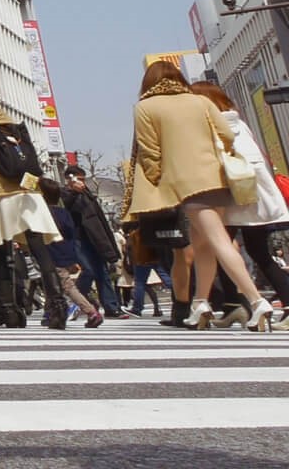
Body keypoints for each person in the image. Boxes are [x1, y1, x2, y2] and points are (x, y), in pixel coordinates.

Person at [123, 63, 274, 331]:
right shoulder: (199, 101)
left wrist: (158, 179)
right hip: (218, 178)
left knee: (216, 242)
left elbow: (150, 152)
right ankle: (200, 304)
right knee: (203, 244)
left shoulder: (145, 107)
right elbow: (227, 134)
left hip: (186, 183)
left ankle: (257, 300)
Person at [0, 84, 68, 330]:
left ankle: (8, 309)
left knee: (1, 250)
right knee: (39, 250)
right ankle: (58, 305)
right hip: (28, 189)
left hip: (0, 193)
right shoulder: (8, 121)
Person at [191, 82, 289, 309]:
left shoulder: (212, 127)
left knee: (221, 247)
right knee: (257, 252)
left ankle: (236, 304)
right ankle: (243, 303)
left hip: (230, 198)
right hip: (257, 196)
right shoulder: (240, 124)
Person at [61, 165, 124, 318]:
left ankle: (111, 306)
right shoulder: (64, 193)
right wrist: (75, 191)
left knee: (102, 272)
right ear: (69, 179)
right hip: (76, 237)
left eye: (83, 179)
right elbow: (68, 205)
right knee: (88, 270)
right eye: (78, 179)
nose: (81, 182)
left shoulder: (87, 193)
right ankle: (78, 301)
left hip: (94, 237)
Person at [42, 178, 103, 326]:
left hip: (53, 254)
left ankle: (91, 312)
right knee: (52, 284)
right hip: (66, 253)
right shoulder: (63, 213)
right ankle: (49, 314)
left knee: (65, 286)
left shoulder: (46, 214)